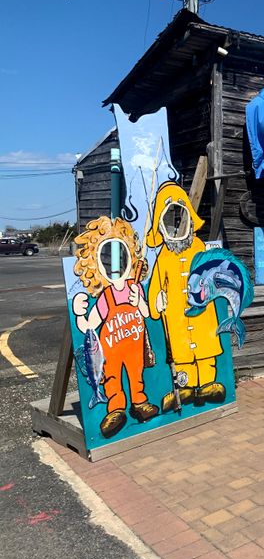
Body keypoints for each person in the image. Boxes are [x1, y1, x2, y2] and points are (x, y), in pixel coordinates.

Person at [72, 217, 158, 439]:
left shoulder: (135, 287)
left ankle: (139, 401)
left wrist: (139, 301)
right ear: (97, 264)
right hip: (110, 349)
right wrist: (79, 312)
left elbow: (147, 313)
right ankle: (116, 409)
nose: (115, 267)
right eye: (107, 259)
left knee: (136, 373)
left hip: (134, 345)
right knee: (112, 377)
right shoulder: (106, 296)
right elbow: (90, 325)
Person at [145, 182, 225, 411]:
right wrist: (156, 302)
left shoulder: (199, 247)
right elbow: (156, 285)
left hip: (200, 313)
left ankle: (209, 383)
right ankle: (186, 386)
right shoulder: (164, 256)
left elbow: (211, 273)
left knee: (206, 347)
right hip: (176, 316)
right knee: (180, 353)